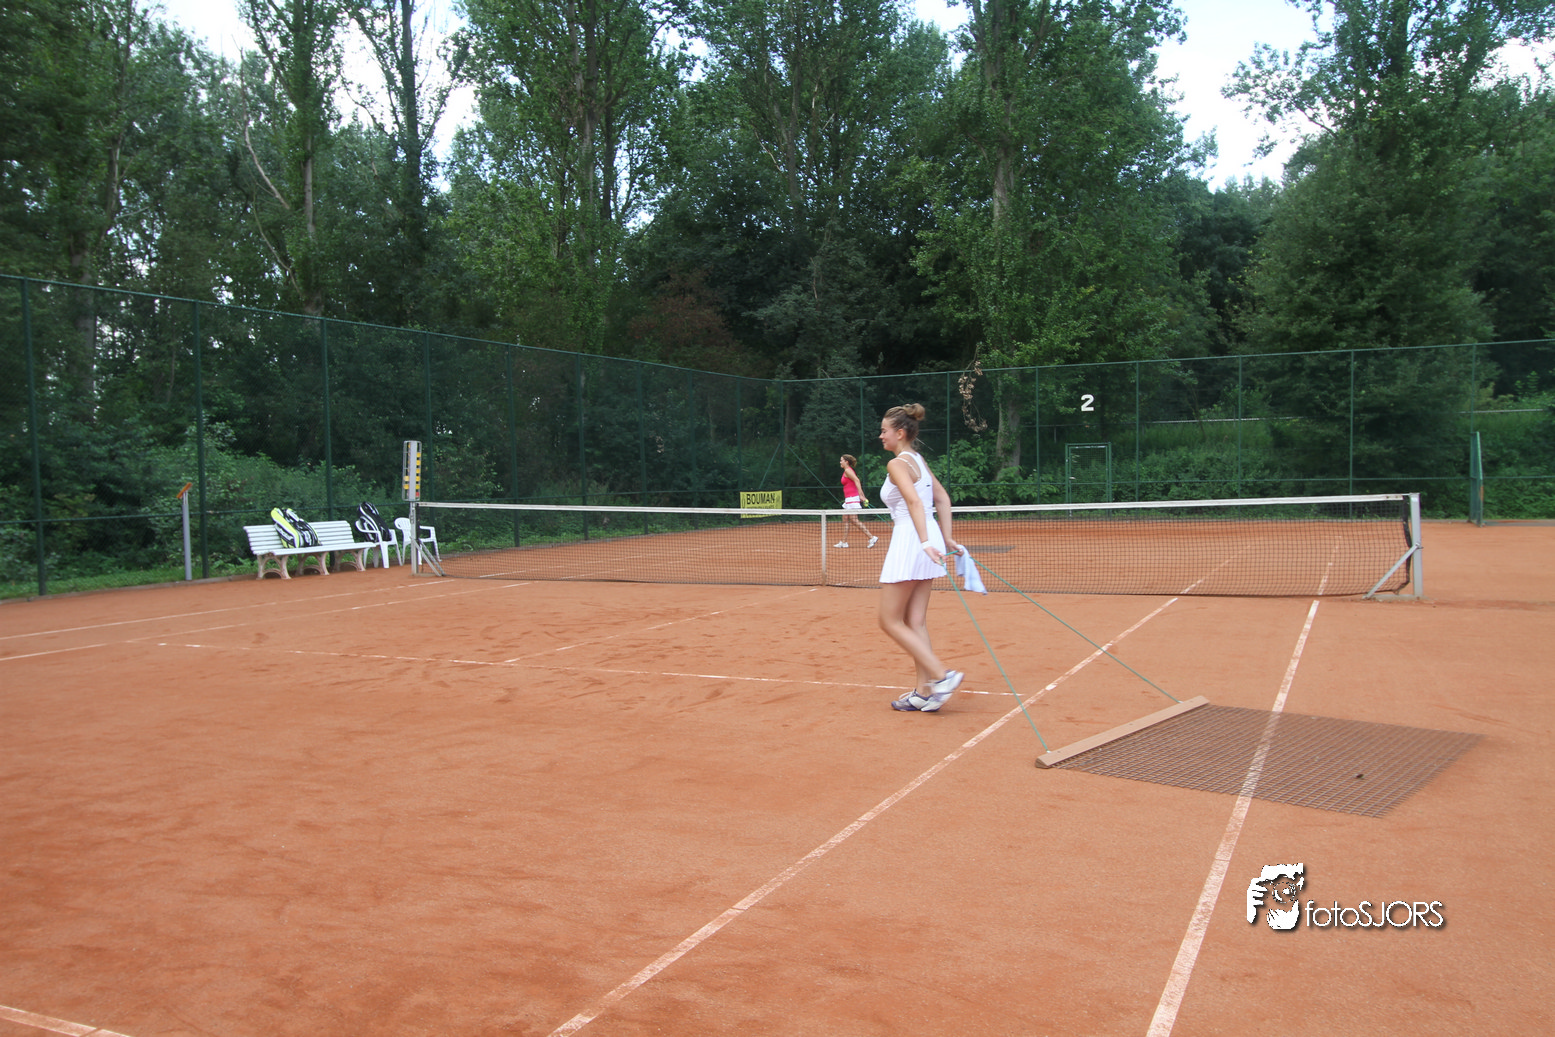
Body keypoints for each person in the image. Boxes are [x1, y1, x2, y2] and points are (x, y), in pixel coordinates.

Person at [875, 403, 964, 712]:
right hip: (927, 540)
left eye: (884, 431)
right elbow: (942, 498)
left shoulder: (897, 464)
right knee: (915, 621)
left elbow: (914, 502)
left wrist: (925, 541)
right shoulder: (919, 461)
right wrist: (945, 538)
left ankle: (941, 676)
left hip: (913, 540)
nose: (881, 436)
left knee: (888, 620)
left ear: (899, 433)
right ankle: (924, 692)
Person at [834, 454, 879, 548]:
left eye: (841, 460)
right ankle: (844, 542)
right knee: (845, 519)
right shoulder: (846, 471)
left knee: (854, 520)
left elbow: (857, 480)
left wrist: (861, 495)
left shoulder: (848, 470)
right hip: (848, 499)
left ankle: (871, 537)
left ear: (846, 462)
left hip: (852, 498)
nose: (840, 462)